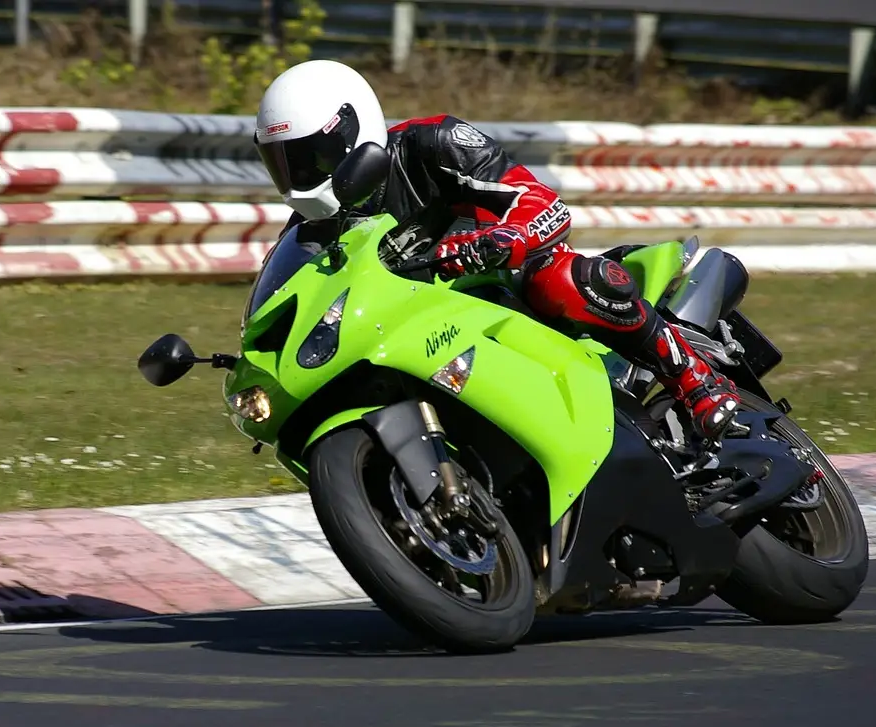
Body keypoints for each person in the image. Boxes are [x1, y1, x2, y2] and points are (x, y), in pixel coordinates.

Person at [252, 59, 741, 441]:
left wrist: (500, 241)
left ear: (350, 130)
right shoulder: (310, 230)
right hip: (425, 332)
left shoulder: (432, 142)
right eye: (285, 164)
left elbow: (542, 203)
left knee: (557, 277)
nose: (299, 177)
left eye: (310, 156)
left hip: (507, 287)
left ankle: (692, 377)